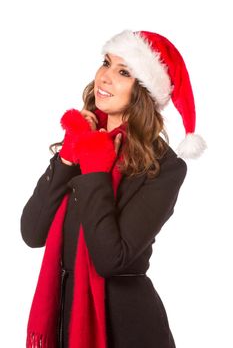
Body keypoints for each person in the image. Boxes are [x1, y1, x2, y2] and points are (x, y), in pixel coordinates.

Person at [20, 29, 206, 348]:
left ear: (143, 91)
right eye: (106, 63)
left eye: (123, 72)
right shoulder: (82, 142)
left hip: (126, 327)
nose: (104, 77)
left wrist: (94, 168)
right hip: (67, 318)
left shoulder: (163, 167)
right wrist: (67, 157)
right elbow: (32, 233)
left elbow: (110, 259)